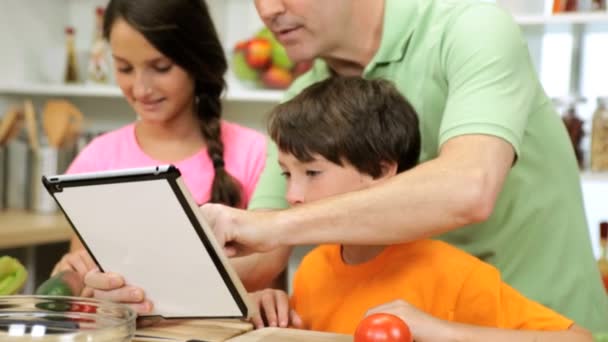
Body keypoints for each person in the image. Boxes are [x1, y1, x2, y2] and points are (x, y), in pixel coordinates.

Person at [199, 0, 608, 332]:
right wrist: (154, 282)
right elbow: (256, 251)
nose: (267, 10)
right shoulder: (307, 97)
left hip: (539, 326)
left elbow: (468, 190)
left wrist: (271, 226)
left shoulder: (472, 29)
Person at [248, 76, 591, 341]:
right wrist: (272, 312)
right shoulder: (312, 269)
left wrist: (441, 332)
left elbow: (578, 339)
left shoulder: (452, 273)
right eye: (286, 174)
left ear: (382, 171)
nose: (292, 195)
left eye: (311, 173)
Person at [51, 0, 289, 303]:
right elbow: (89, 274)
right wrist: (76, 274)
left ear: (196, 60)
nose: (141, 88)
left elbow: (266, 265)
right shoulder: (97, 157)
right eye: (124, 68)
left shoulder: (257, 153)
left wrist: (135, 275)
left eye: (161, 67)